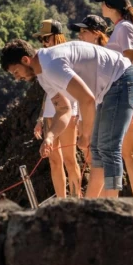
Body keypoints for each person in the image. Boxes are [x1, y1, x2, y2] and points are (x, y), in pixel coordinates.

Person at [0, 39, 133, 197]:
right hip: (109, 88)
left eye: (16, 72)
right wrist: (50, 137)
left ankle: (111, 208)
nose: (17, 78)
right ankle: (93, 207)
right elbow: (64, 109)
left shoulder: (51, 65)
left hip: (122, 79)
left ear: (25, 60)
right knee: (99, 153)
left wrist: (86, 135)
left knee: (108, 149)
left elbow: (87, 99)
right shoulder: (43, 76)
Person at [94, 0, 133, 198]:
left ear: (109, 6)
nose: (100, 6)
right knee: (127, 152)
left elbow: (130, 62)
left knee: (127, 153)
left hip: (129, 91)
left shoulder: (124, 28)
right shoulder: (123, 27)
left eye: (102, 3)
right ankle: (132, 201)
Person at [31, 19, 82, 198]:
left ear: (56, 36)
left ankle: (76, 199)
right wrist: (40, 117)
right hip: (50, 112)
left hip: (70, 111)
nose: (44, 43)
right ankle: (61, 200)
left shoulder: (67, 55)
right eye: (41, 40)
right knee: (54, 160)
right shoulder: (45, 58)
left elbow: (81, 88)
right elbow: (48, 90)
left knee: (70, 159)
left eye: (46, 38)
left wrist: (81, 116)